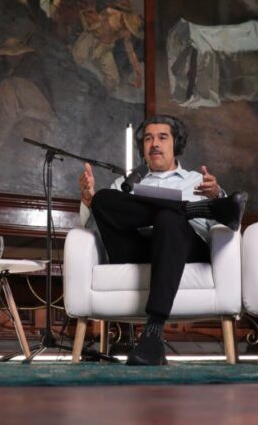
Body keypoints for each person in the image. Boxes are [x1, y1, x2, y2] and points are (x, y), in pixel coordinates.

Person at [77, 114, 248, 365]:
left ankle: (153, 333)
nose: (154, 143)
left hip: (181, 248)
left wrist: (215, 195)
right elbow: (96, 227)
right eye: (148, 138)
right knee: (104, 198)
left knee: (168, 219)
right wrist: (88, 200)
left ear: (175, 144)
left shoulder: (197, 181)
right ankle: (194, 209)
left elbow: (230, 228)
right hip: (135, 248)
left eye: (162, 137)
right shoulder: (125, 184)